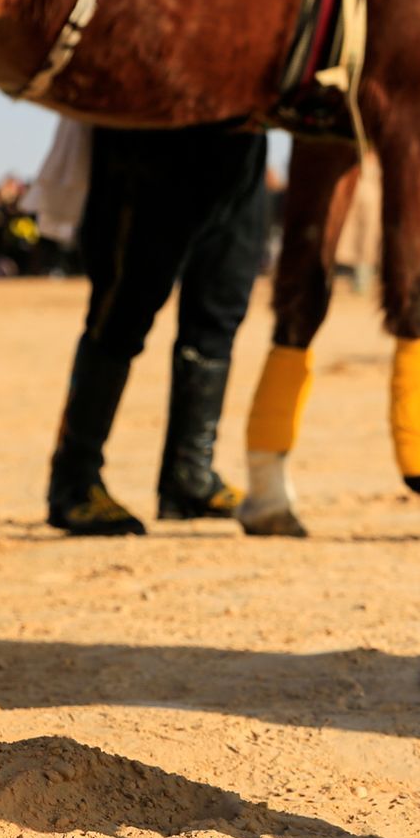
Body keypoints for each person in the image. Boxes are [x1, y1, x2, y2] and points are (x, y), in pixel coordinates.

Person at [42, 123, 268, 535]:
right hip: (153, 128)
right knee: (124, 304)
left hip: (243, 135)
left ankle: (190, 475)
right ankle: (74, 478)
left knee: (221, 304)